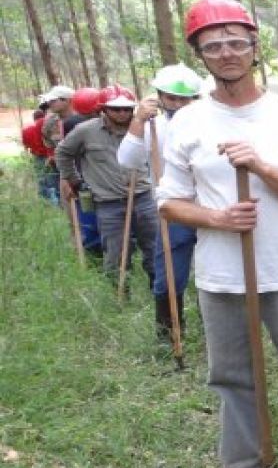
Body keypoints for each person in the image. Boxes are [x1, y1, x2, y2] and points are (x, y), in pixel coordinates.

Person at [156, 0, 278, 468]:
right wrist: (217, 217)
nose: (227, 53)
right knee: (231, 376)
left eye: (236, 42)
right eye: (213, 45)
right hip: (221, 278)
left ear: (254, 47)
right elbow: (169, 203)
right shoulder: (187, 122)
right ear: (201, 55)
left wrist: (262, 169)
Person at [117, 64, 204, 344]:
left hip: (211, 209)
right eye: (172, 98)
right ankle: (170, 340)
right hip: (173, 212)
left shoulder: (209, 122)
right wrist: (138, 122)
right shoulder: (154, 125)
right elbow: (127, 161)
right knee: (168, 276)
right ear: (160, 97)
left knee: (212, 275)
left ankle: (218, 336)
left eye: (185, 99)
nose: (178, 104)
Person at [56, 85, 158, 284]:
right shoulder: (85, 131)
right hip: (108, 203)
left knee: (154, 248)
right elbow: (63, 153)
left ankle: (158, 292)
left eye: (127, 109)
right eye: (116, 109)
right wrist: (73, 179)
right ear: (103, 109)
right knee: (116, 254)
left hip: (144, 197)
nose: (122, 113)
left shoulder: (145, 128)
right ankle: (119, 298)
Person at [63, 87, 106, 259]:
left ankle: (94, 254)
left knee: (89, 218)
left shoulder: (71, 123)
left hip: (84, 180)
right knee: (93, 218)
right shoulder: (77, 124)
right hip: (88, 180)